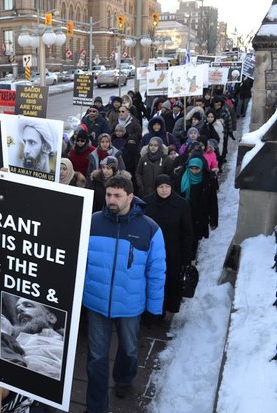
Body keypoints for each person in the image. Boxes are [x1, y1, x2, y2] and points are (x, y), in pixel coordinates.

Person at [83, 175, 166, 413]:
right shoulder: (92, 222)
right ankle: (96, 407)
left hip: (130, 304)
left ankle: (123, 378)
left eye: (117, 195)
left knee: (129, 349)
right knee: (96, 357)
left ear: (130, 196)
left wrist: (154, 307)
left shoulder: (149, 228)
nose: (112, 199)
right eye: (109, 194)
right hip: (96, 301)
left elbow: (157, 269)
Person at [143, 175, 193, 314]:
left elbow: (187, 232)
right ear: (156, 188)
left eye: (167, 187)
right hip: (151, 250)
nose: (164, 190)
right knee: (152, 280)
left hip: (173, 251)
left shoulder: (181, 204)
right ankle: (150, 311)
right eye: (160, 187)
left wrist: (187, 257)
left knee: (170, 281)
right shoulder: (147, 202)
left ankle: (165, 309)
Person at [0, 297, 64, 380]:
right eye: (17, 311)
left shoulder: (67, 343)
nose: (19, 309)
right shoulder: (11, 338)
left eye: (28, 305)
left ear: (51, 318)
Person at [173, 157, 218, 262]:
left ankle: (191, 260)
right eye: (191, 168)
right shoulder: (180, 178)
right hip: (182, 214)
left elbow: (212, 201)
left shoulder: (207, 180)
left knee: (194, 238)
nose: (194, 171)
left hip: (198, 215)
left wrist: (213, 219)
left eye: (197, 169)